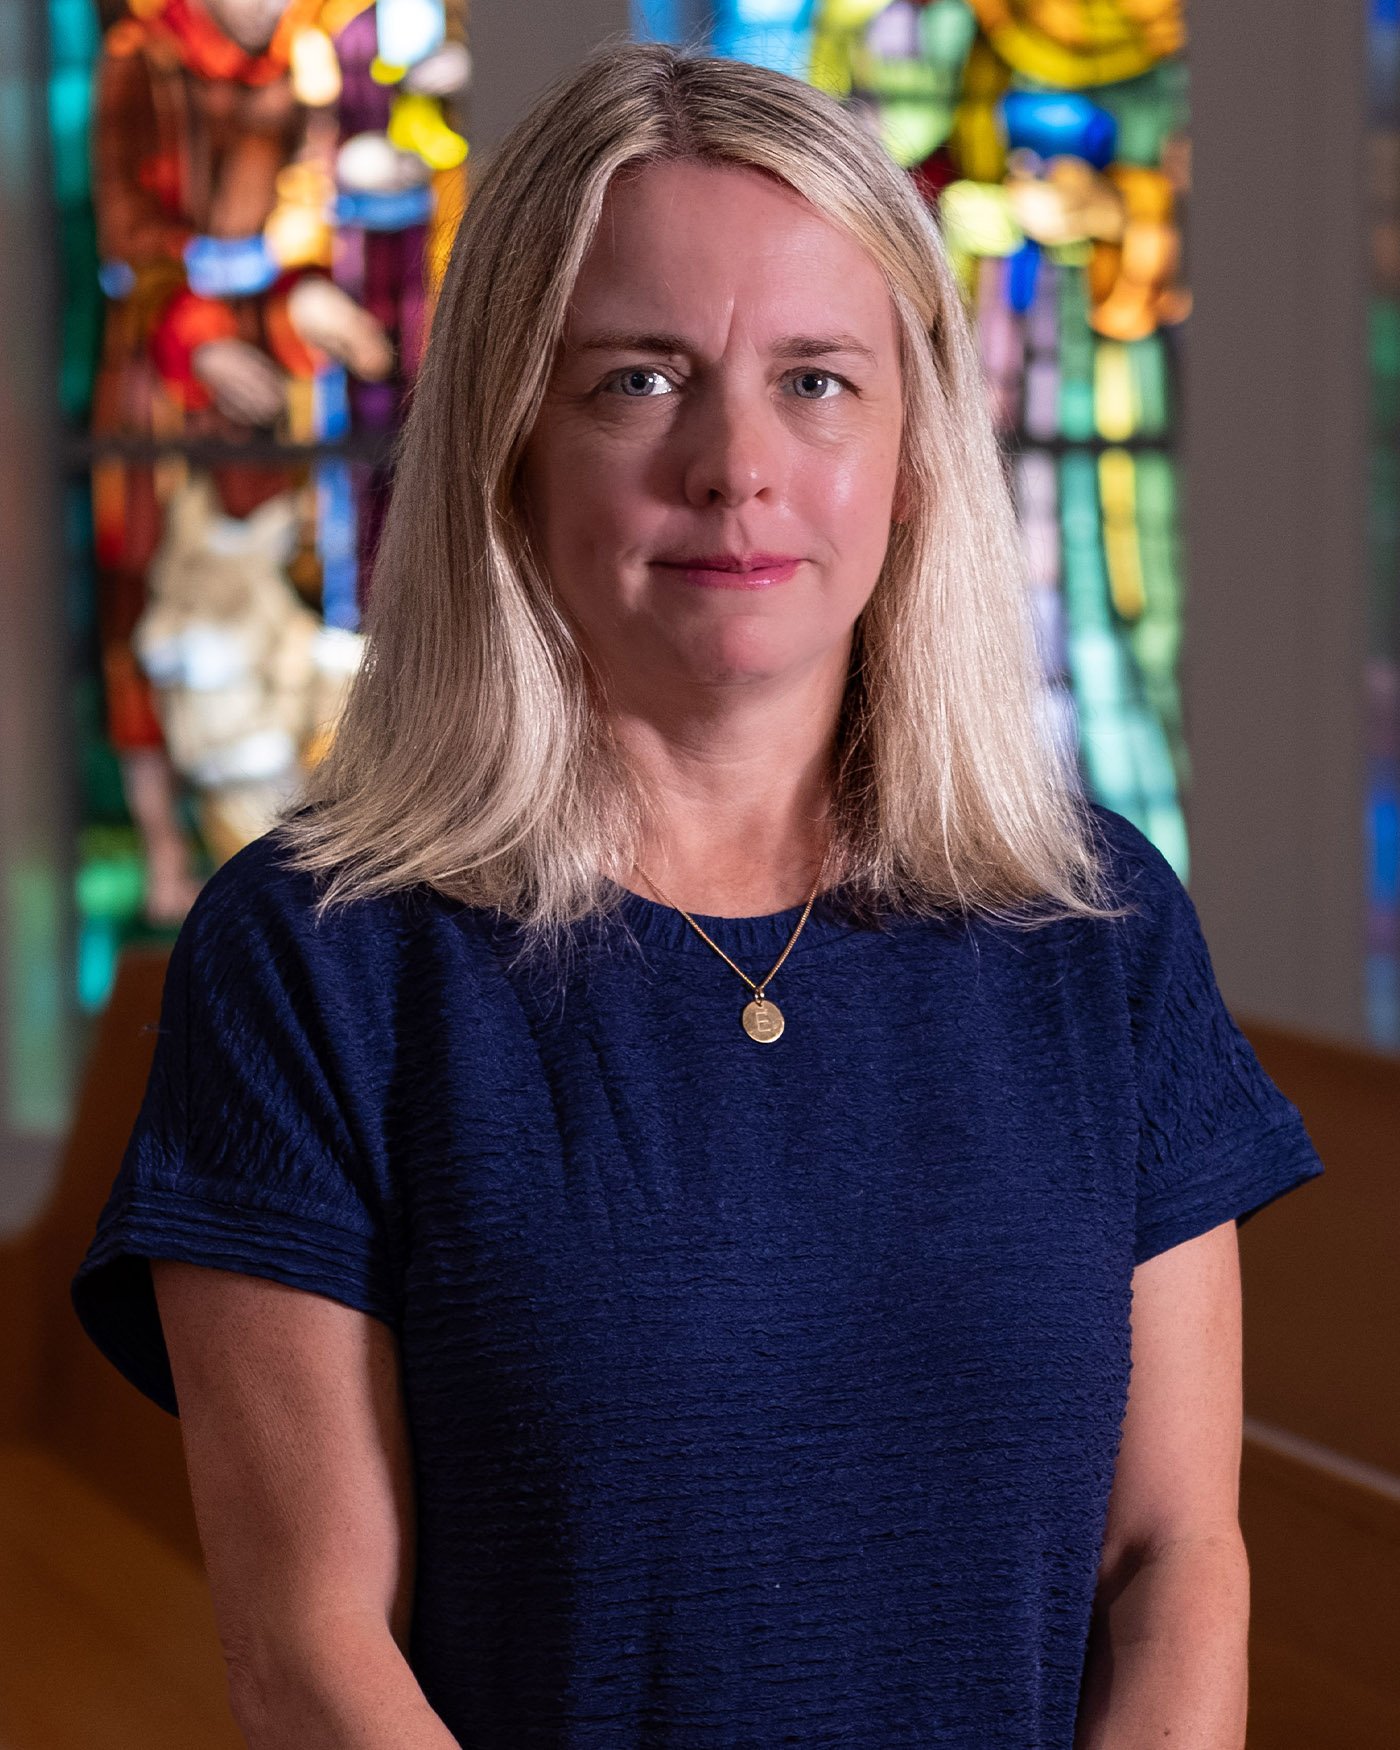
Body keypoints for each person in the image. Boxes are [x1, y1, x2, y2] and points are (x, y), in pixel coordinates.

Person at [70, 37, 1325, 1750]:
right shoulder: (318, 959)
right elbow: (309, 1655)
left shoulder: (1096, 926)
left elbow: (1173, 1560)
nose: (737, 465)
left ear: (913, 445)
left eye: (817, 379)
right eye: (639, 379)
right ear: (510, 437)